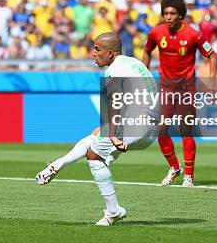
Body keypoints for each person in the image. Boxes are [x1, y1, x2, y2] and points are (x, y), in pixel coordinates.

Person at [35, 32, 159, 226]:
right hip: (150, 126)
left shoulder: (114, 70)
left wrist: (112, 134)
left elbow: (115, 101)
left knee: (94, 156)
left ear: (110, 53)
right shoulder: (133, 63)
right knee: (94, 136)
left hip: (139, 123)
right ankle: (57, 165)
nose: (93, 53)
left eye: (97, 49)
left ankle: (114, 211)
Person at [143, 0, 217, 187]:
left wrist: (212, 83)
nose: (168, 17)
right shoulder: (156, 32)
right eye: (165, 13)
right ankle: (175, 167)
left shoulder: (193, 34)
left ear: (181, 15)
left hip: (186, 89)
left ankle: (189, 176)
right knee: (160, 129)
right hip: (166, 88)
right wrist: (143, 75)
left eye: (172, 13)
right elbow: (147, 51)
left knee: (186, 130)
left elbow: (212, 55)